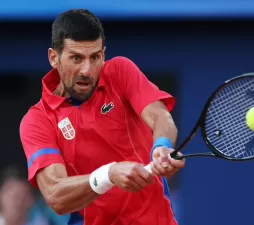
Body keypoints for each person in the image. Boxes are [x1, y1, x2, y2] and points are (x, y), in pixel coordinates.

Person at [19, 9, 185, 225]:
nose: (86, 70)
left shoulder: (120, 72)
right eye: (76, 58)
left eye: (95, 57)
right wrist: (107, 175)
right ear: (54, 57)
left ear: (103, 55)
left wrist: (161, 145)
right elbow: (55, 195)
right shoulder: (37, 121)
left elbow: (160, 116)